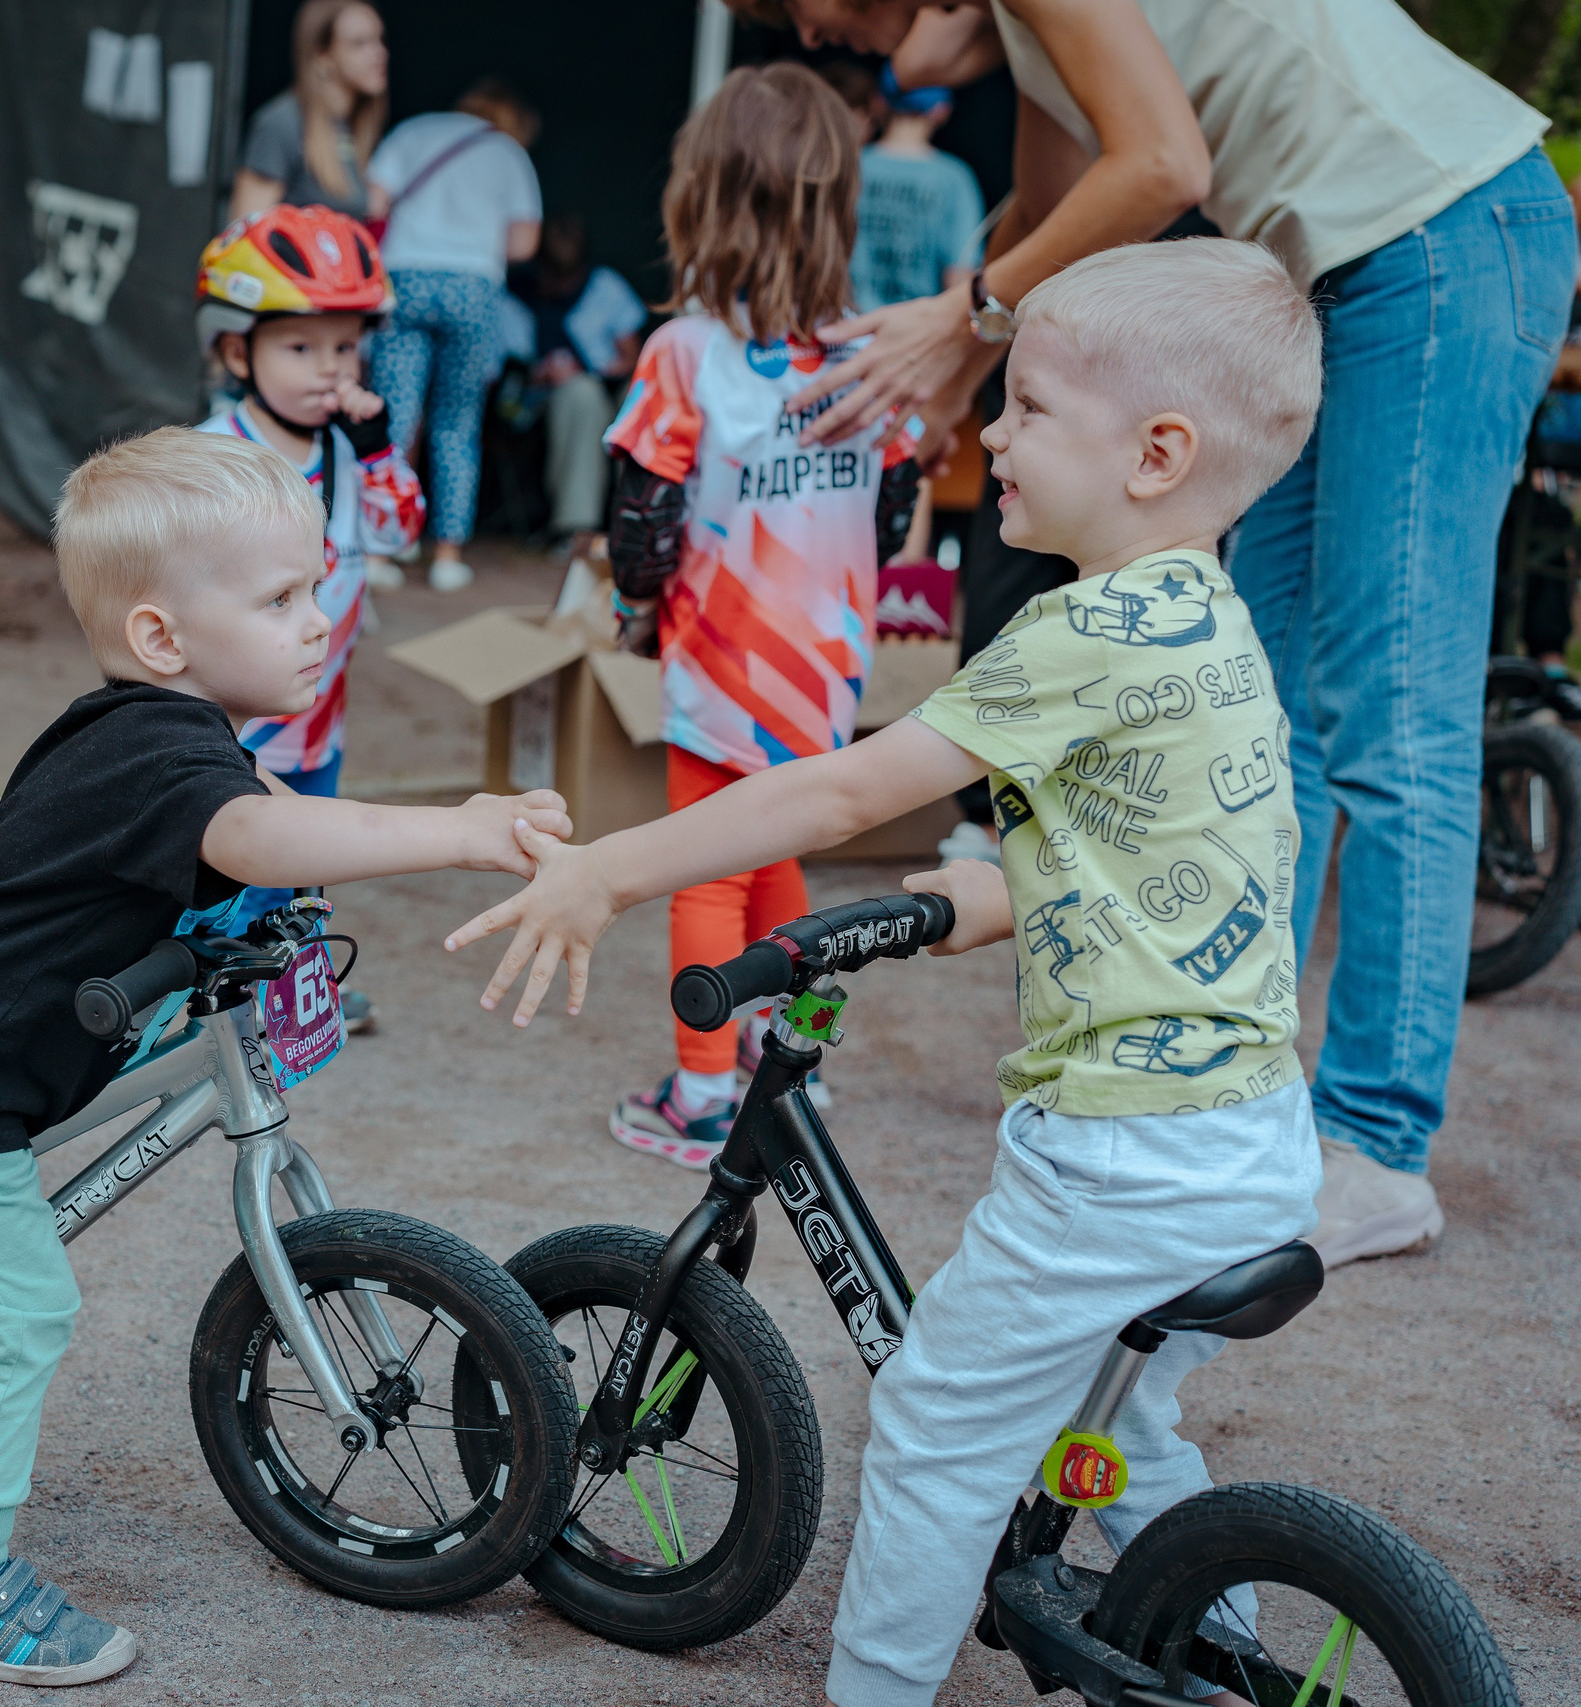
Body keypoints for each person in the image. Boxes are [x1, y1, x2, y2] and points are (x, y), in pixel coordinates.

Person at [452, 236, 1324, 1707]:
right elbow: (1153, 849)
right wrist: (984, 897)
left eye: (1032, 408)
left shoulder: (1077, 628)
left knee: (933, 1426)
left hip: (1118, 1158)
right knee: (1125, 1419)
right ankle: (1214, 1636)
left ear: (1158, 450)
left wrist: (613, 862)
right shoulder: (1209, 623)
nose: (989, 433)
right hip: (1248, 1139)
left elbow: (838, 795)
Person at [763, 0, 1580, 1269]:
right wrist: (957, 374)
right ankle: (1235, 1098)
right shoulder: (1023, 38)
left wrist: (962, 321)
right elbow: (1054, 237)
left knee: (1390, 714)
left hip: (1440, 240)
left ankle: (1377, 1140)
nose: (809, 31)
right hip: (1343, 273)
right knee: (1271, 704)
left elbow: (1162, 171)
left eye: (795, 2)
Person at [0, 427, 571, 1687]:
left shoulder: (154, 736)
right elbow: (257, 835)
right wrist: (461, 832)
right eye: (282, 598)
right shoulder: (158, 753)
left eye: (317, 587)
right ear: (161, 640)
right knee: (19, 1305)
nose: (319, 620)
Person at [599, 65, 920, 1169]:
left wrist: (632, 605)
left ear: (701, 197)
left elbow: (644, 515)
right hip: (827, 664)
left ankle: (697, 1095)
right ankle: (796, 1073)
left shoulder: (683, 352)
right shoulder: (872, 346)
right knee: (789, 871)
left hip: (721, 662)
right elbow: (889, 510)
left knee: (709, 871)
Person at [183, 204, 426, 1032]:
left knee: (308, 864)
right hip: (235, 725)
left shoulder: (351, 448)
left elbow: (400, 532)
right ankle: (212, 1006)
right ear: (234, 348)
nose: (329, 368)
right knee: (230, 871)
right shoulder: (214, 453)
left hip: (320, 713)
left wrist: (383, 451)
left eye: (346, 345)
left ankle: (296, 998)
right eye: (301, 346)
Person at [364, 79, 543, 591]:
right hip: (472, 286)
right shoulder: (508, 153)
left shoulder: (414, 130)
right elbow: (524, 243)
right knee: (457, 421)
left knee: (394, 416)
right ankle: (447, 555)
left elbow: (374, 203)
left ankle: (382, 550)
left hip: (406, 280)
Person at [500, 214, 646, 559]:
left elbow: (635, 356)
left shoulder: (604, 287)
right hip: (541, 403)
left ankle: (640, 525)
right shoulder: (514, 300)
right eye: (555, 276)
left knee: (635, 398)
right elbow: (501, 376)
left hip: (609, 390)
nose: (563, 286)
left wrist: (607, 368)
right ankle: (576, 531)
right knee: (581, 395)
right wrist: (542, 373)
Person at [230, 0, 388, 222]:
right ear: (323, 55)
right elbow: (243, 232)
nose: (379, 53)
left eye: (379, 40)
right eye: (359, 43)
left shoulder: (347, 126)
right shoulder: (282, 124)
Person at [849, 67, 983, 312]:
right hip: (916, 331)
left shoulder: (849, 167)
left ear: (879, 103)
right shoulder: (955, 179)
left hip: (846, 328)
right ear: (941, 111)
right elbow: (959, 276)